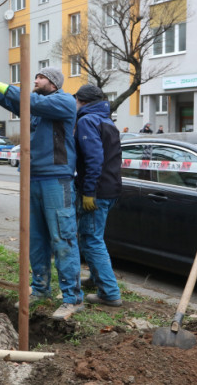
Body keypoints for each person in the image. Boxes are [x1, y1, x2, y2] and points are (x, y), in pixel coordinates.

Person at [0, 67, 83, 321]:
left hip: (56, 180)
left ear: (54, 83)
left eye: (40, 77)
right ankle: (40, 288)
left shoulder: (64, 102)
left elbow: (27, 99)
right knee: (35, 239)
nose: (35, 80)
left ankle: (72, 298)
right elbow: (11, 99)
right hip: (32, 178)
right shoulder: (34, 106)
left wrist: (3, 86)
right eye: (34, 76)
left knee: (63, 237)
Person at [73, 84, 123, 308]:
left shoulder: (86, 120)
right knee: (91, 236)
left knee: (92, 239)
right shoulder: (107, 120)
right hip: (111, 187)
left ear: (82, 101)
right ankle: (95, 279)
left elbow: (94, 159)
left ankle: (109, 293)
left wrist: (89, 192)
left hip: (97, 190)